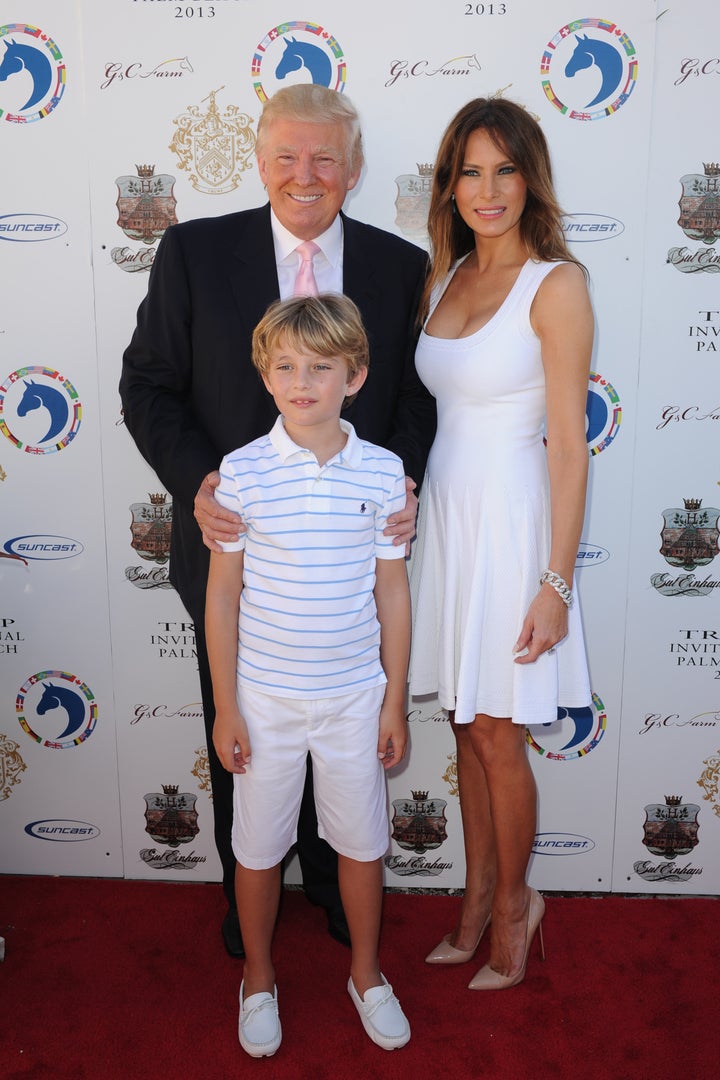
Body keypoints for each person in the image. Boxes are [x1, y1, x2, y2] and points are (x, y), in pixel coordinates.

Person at [120, 84, 435, 958]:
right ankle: (247, 894)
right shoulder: (192, 251)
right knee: (245, 733)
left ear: (354, 170)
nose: (306, 175)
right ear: (259, 163)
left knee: (343, 725)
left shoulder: (398, 265)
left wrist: (398, 482)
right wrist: (201, 486)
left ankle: (338, 889)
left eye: (326, 159)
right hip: (233, 548)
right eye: (288, 157)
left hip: (350, 560)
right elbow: (147, 384)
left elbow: (413, 401)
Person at [408, 97, 593, 989]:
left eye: (505, 170)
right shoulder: (442, 276)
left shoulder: (556, 284)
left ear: (531, 178)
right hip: (448, 522)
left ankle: (517, 908)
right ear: (450, 184)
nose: (488, 189)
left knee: (496, 736)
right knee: (460, 721)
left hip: (514, 527)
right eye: (470, 171)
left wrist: (555, 581)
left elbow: (568, 443)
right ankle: (475, 898)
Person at [207, 294, 412, 1056]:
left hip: (356, 697)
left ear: (354, 377)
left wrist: (393, 699)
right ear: (265, 376)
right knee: (257, 848)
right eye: (286, 366)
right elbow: (222, 595)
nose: (303, 382)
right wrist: (227, 706)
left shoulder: (386, 473)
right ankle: (257, 977)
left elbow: (392, 590)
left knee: (361, 844)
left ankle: (366, 973)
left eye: (321, 367)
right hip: (263, 698)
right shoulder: (242, 472)